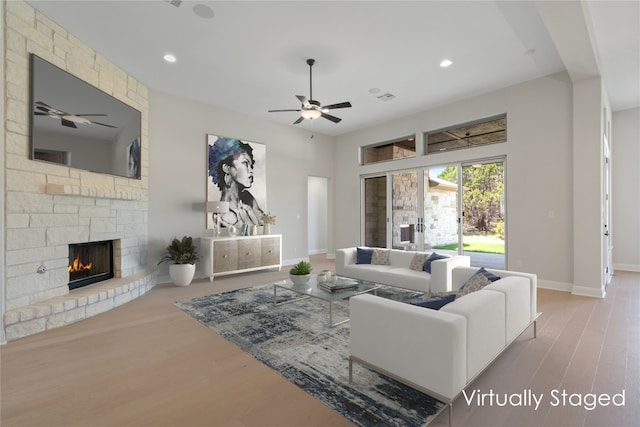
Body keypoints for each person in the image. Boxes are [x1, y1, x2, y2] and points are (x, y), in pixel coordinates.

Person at [208, 138, 264, 228]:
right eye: (245, 163)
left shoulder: (248, 198)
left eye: (251, 165)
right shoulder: (224, 215)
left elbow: (264, 223)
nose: (251, 170)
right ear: (227, 168)